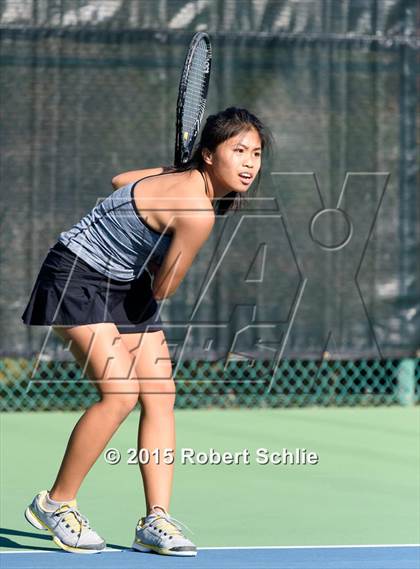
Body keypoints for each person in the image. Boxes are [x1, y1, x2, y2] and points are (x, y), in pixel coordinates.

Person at [21, 107, 269, 556]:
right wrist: (166, 232)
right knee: (119, 394)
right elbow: (164, 287)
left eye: (256, 153)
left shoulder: (185, 181)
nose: (250, 163)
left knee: (159, 394)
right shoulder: (197, 213)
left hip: (122, 282)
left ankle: (155, 521)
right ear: (210, 155)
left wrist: (169, 179)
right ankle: (55, 503)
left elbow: (121, 179)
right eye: (239, 151)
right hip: (75, 276)